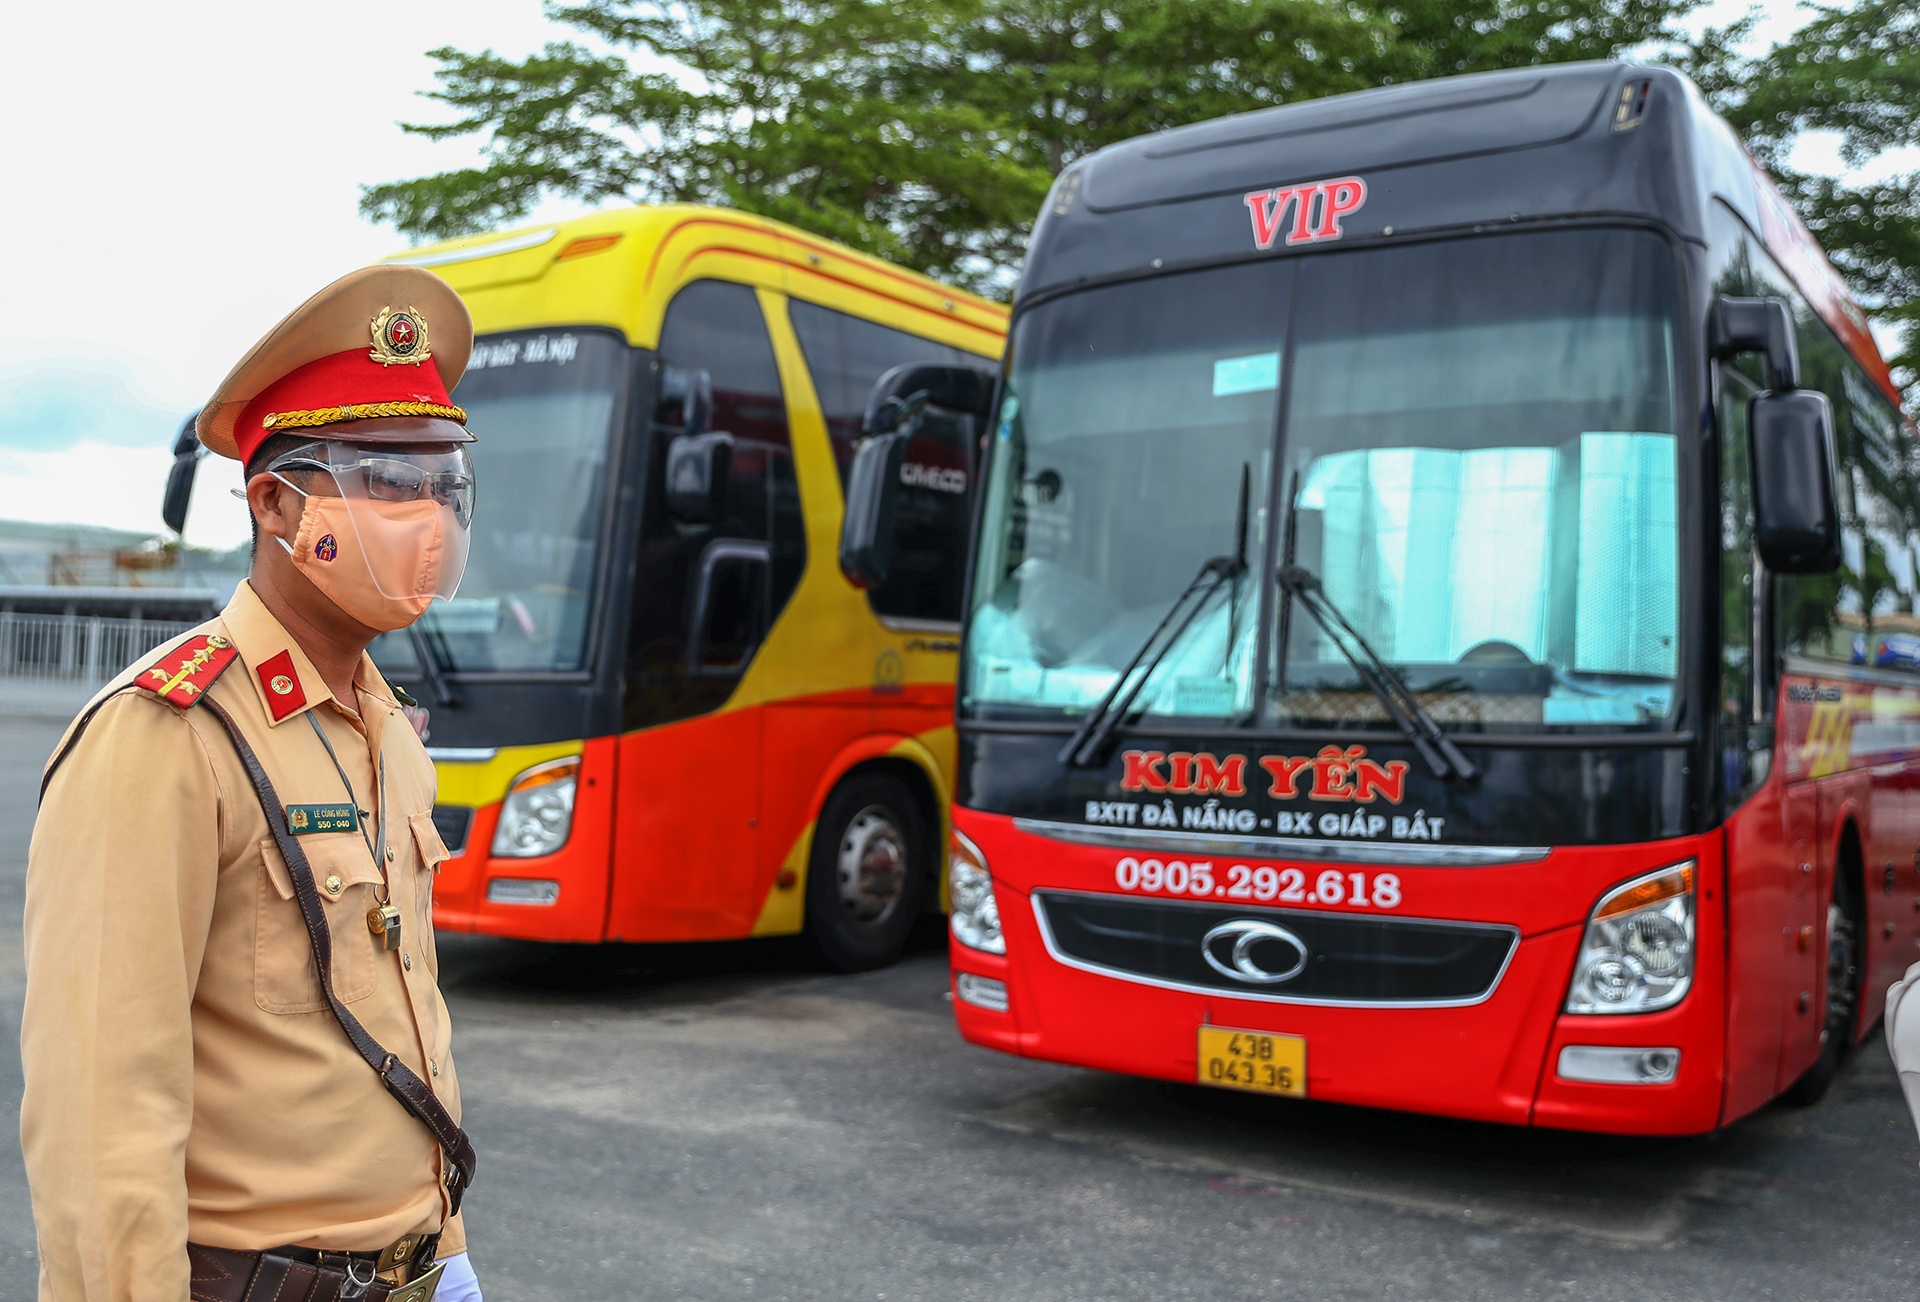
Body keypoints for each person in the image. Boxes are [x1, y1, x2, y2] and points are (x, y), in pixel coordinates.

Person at [22, 265, 485, 1301]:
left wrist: (446, 1251)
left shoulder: (384, 725)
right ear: (275, 502)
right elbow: (103, 1115)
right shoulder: (164, 736)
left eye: (443, 482)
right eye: (384, 479)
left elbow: (409, 1016)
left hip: (423, 1269)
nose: (428, 517)